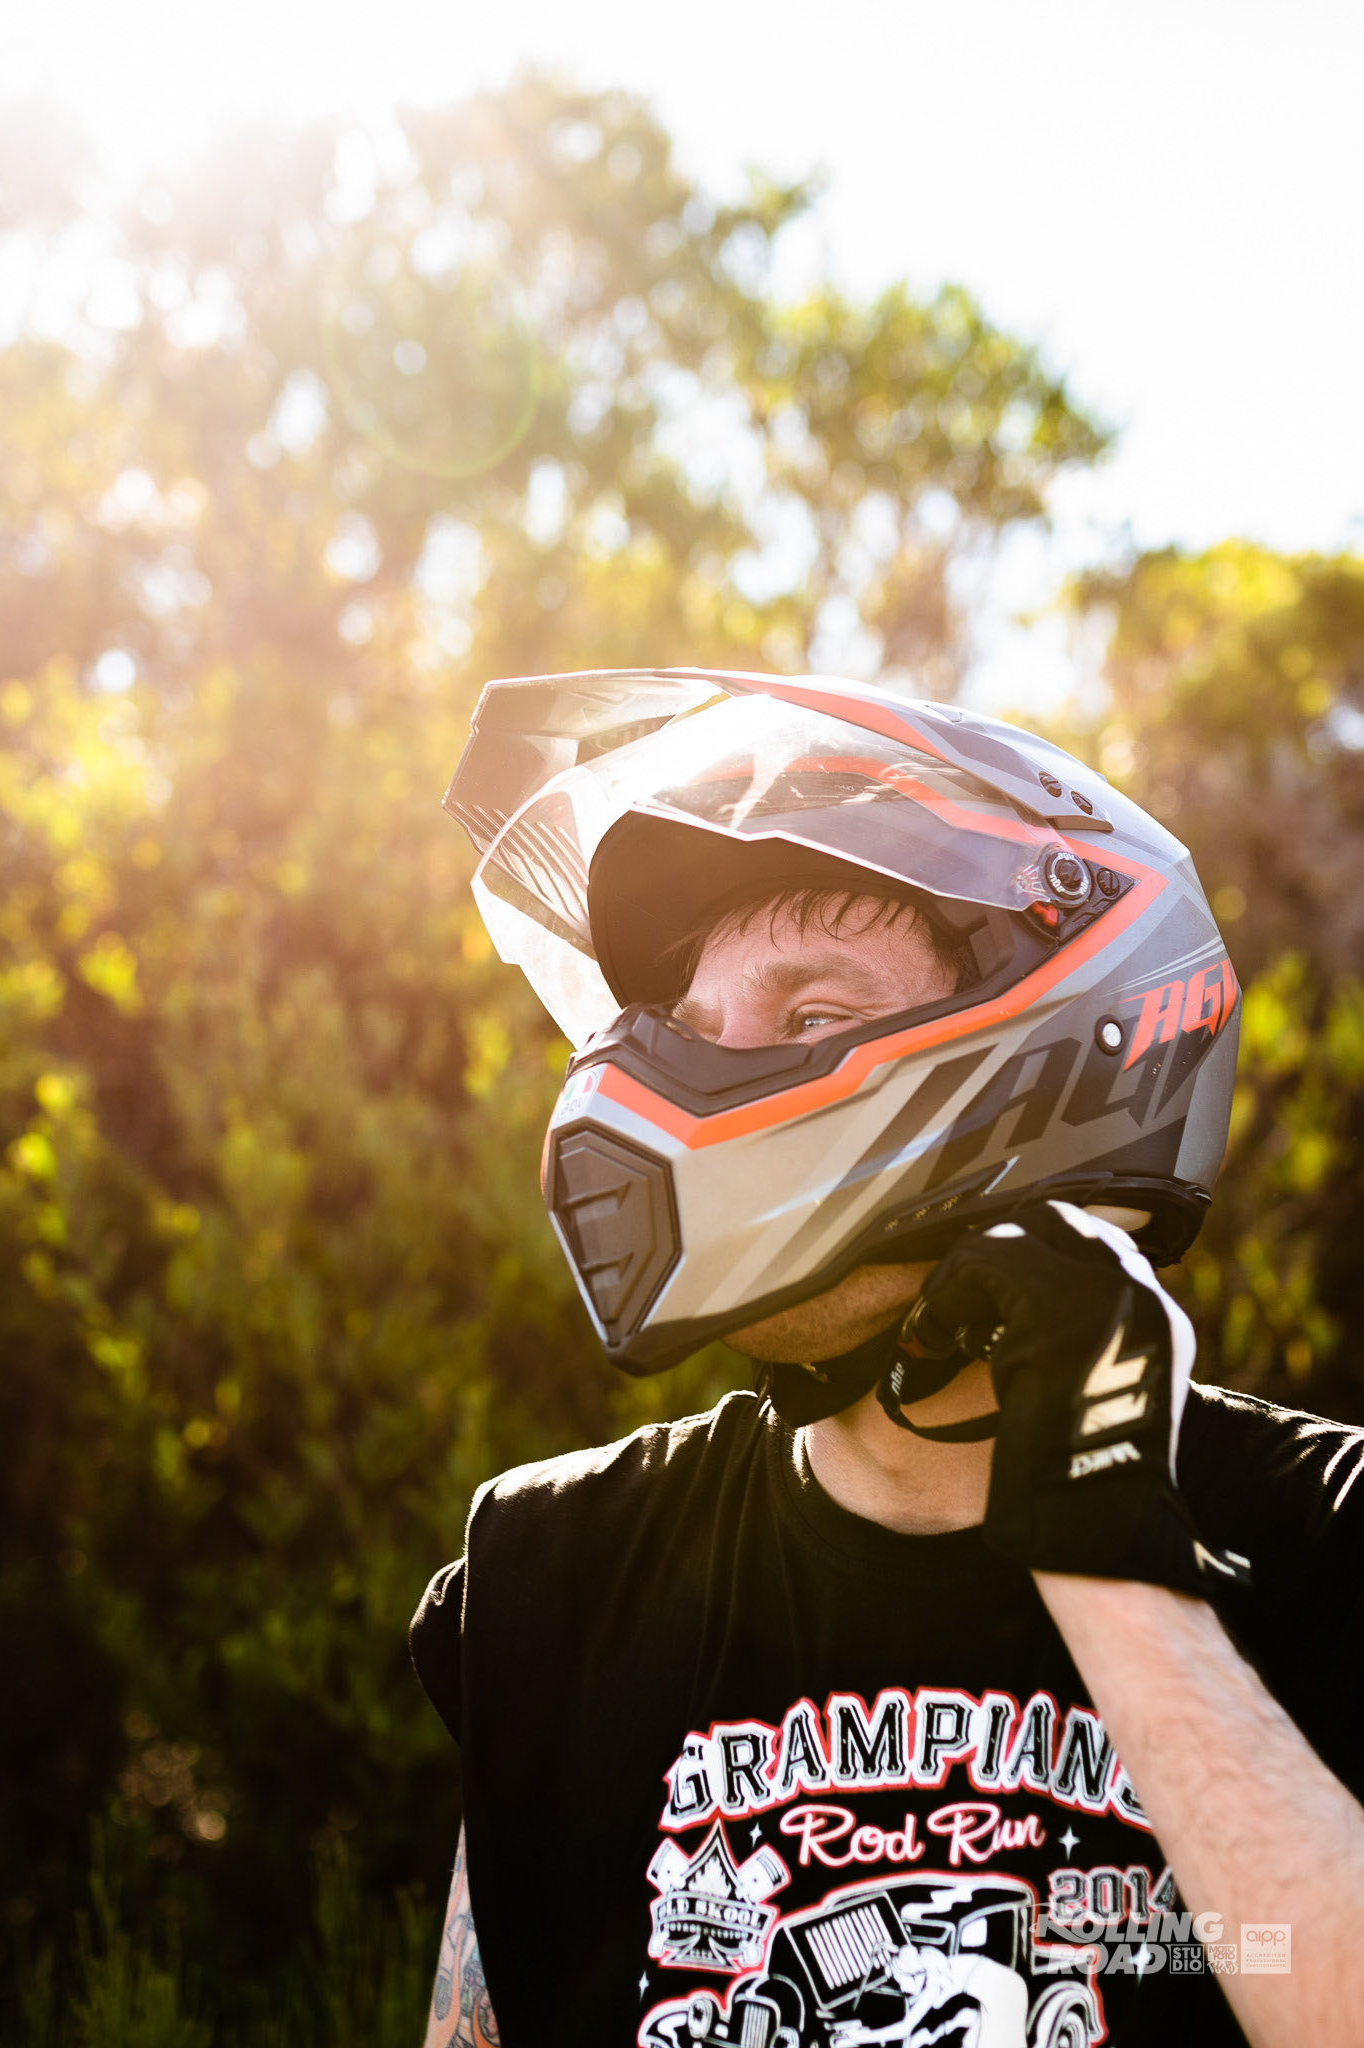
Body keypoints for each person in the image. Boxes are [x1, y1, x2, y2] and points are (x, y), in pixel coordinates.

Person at [413, 669, 1364, 2047]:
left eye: (807, 1019)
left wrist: (1116, 1558)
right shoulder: (559, 1576)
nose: (695, 1082)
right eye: (691, 1027)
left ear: (1057, 1053)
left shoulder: (1328, 1541)